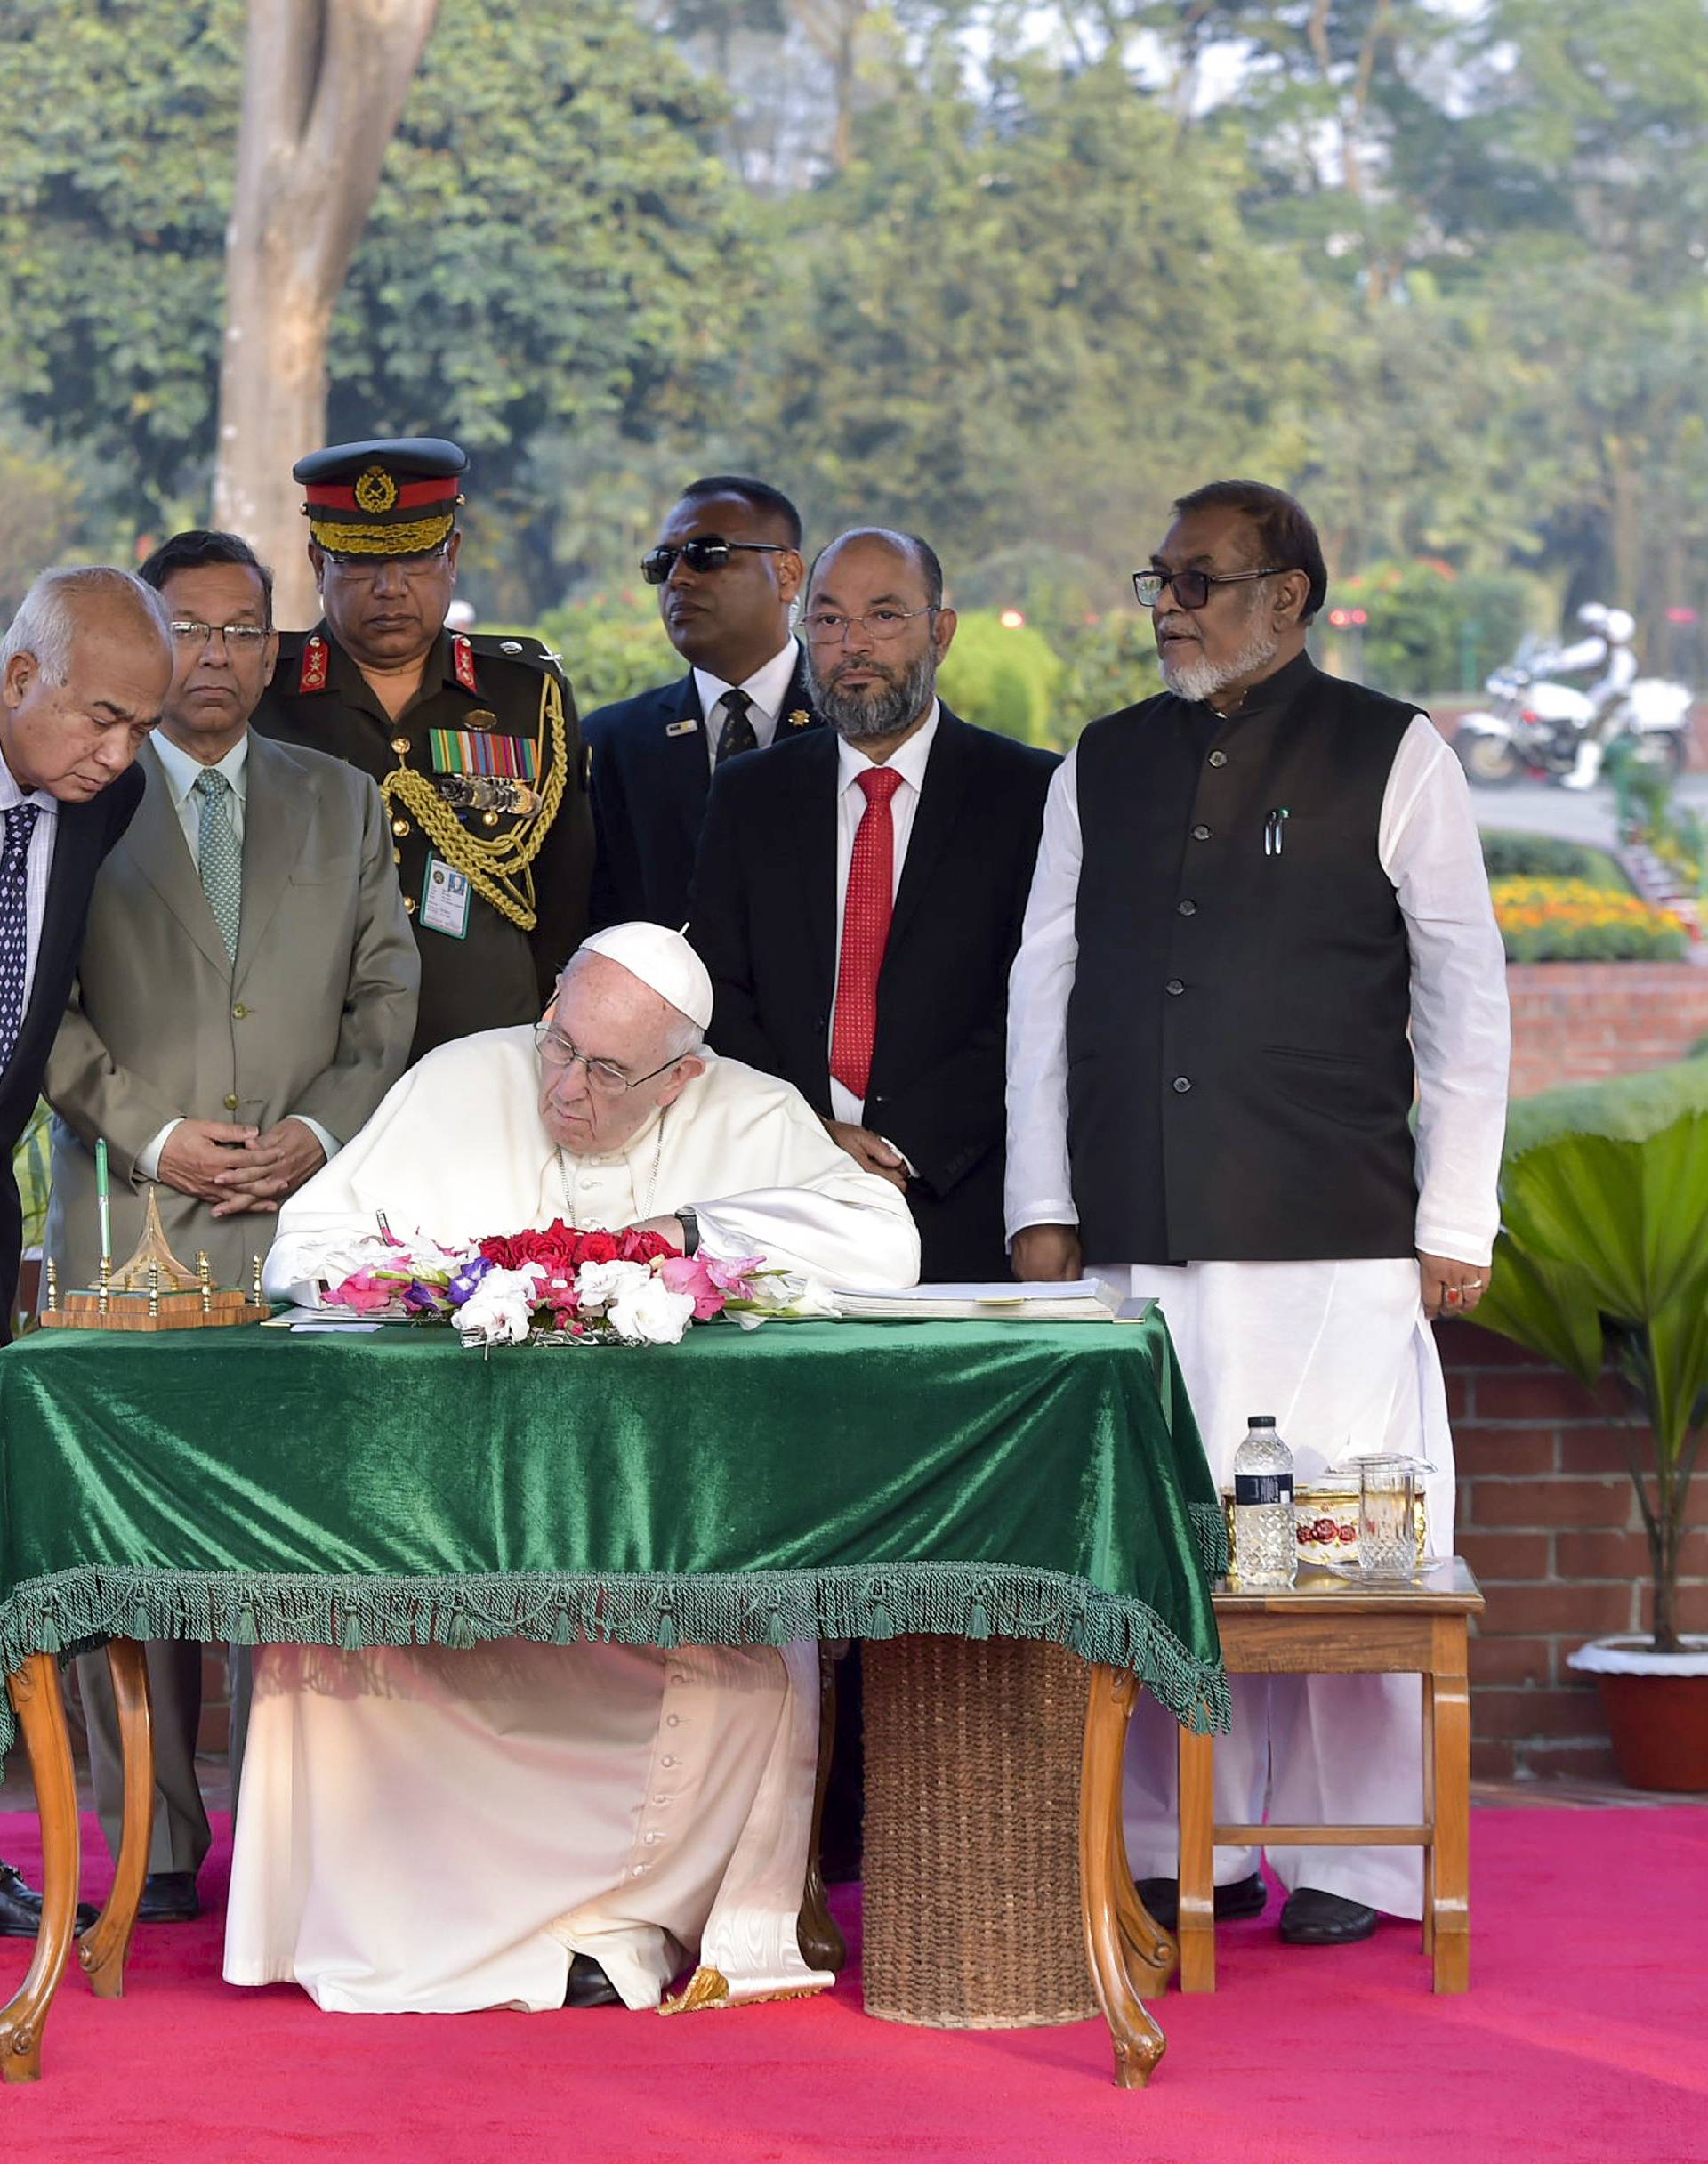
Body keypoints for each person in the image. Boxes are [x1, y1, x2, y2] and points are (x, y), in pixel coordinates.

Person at [227, 923, 917, 2015]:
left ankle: (613, 1923)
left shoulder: (752, 1110)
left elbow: (887, 1248)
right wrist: (435, 1281)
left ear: (683, 1074)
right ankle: (385, 1923)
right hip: (448, 1515)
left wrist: (689, 1228)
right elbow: (303, 1250)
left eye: (606, 1070)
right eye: (558, 1045)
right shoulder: (459, 1078)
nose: (565, 1085)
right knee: (324, 1619)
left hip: (674, 1527)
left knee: (746, 1661)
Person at [1005, 480, 1509, 1948]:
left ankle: (1358, 1862)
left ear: (1291, 597)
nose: (1171, 604)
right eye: (1160, 577)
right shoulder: (1101, 761)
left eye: (1203, 581)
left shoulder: (1393, 751)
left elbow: (1468, 1004)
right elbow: (1045, 988)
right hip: (1137, 1228)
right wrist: (1045, 1202)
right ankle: (1181, 1845)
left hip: (1335, 1232)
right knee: (1160, 1543)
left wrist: (1458, 1216)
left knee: (1348, 1549)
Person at [44, 529, 420, 1924]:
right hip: (128, 1223)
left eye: (242, 630)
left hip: (306, 1232)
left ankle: (288, 1840)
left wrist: (315, 1137)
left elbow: (389, 998)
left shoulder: (342, 798)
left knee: (293, 1542)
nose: (215, 657)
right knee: (133, 1553)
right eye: (188, 630)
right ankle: (153, 1841)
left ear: (278, 645)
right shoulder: (81, 794)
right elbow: (36, 1012)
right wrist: (151, 1127)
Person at [689, 527, 1058, 1280]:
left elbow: (1035, 1003)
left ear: (942, 631)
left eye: (885, 616)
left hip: (960, 1197)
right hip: (776, 1197)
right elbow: (717, 987)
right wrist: (809, 1132)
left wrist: (905, 1146)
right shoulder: (750, 794)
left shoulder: (1028, 794)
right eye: (828, 620)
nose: (853, 644)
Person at [0, 564, 173, 1939]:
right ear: (20, 680)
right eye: (103, 719)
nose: (120, 756)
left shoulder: (96, 796)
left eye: (139, 728)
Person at [253, 437, 592, 1060]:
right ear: (317, 563)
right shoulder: (262, 693)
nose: (390, 588)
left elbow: (571, 888)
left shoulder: (525, 694)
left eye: (415, 560)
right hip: (310, 1064)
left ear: (453, 556)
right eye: (359, 563)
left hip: (490, 1053)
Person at [583, 476, 822, 932]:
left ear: (787, 574)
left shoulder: (853, 728)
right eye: (662, 562)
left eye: (705, 555)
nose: (678, 578)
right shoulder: (611, 743)